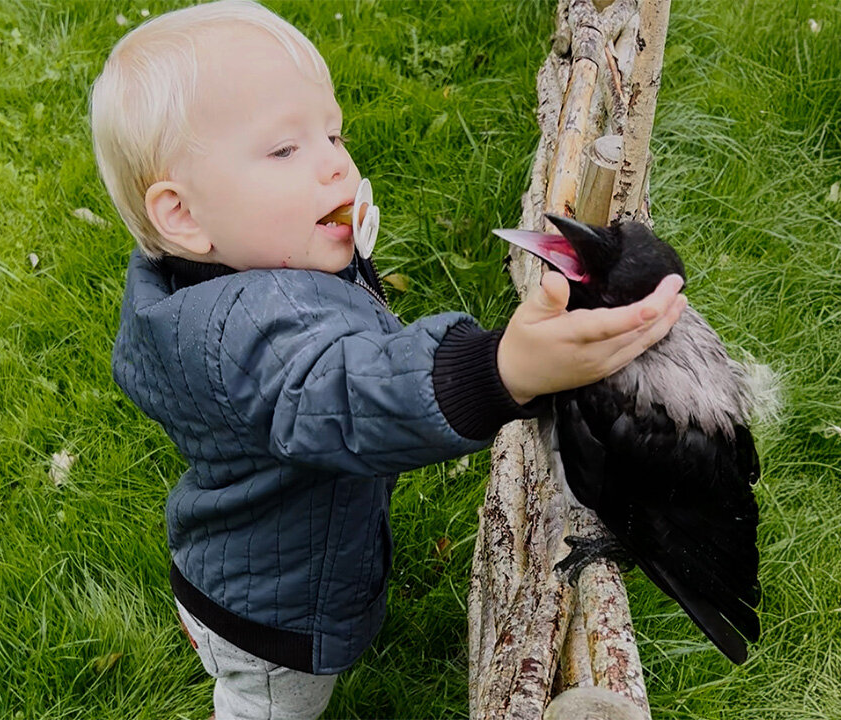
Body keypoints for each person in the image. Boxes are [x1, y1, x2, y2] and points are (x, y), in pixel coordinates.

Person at [90, 2, 686, 718]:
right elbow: (350, 394)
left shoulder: (214, 269)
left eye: (332, 133)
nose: (335, 162)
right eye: (285, 150)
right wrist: (504, 370)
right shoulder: (249, 336)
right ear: (183, 215)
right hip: (273, 624)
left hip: (235, 563)